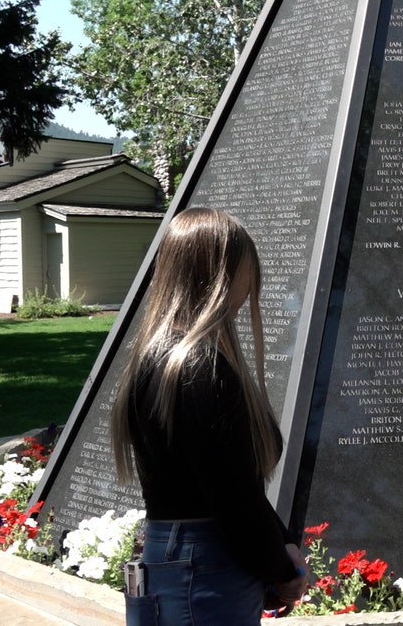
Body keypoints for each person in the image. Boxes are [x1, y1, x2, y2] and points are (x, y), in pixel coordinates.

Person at [110, 207, 306, 624]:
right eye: (246, 271)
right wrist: (282, 571)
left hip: (176, 556)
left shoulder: (158, 359)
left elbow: (230, 482)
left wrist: (282, 545)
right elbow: (233, 498)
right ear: (220, 274)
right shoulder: (201, 367)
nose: (250, 285)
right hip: (206, 564)